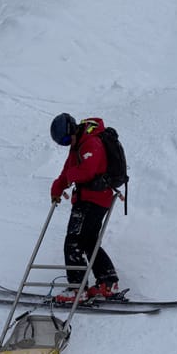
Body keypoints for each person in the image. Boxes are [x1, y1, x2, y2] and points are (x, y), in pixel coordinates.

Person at [50, 113, 120, 303]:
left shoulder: (90, 143)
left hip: (91, 199)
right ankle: (108, 282)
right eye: (62, 143)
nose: (66, 143)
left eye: (66, 139)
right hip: (93, 199)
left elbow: (86, 171)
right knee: (88, 241)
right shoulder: (77, 144)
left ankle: (77, 289)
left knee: (73, 241)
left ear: (72, 129)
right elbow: (68, 171)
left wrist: (69, 178)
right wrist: (57, 187)